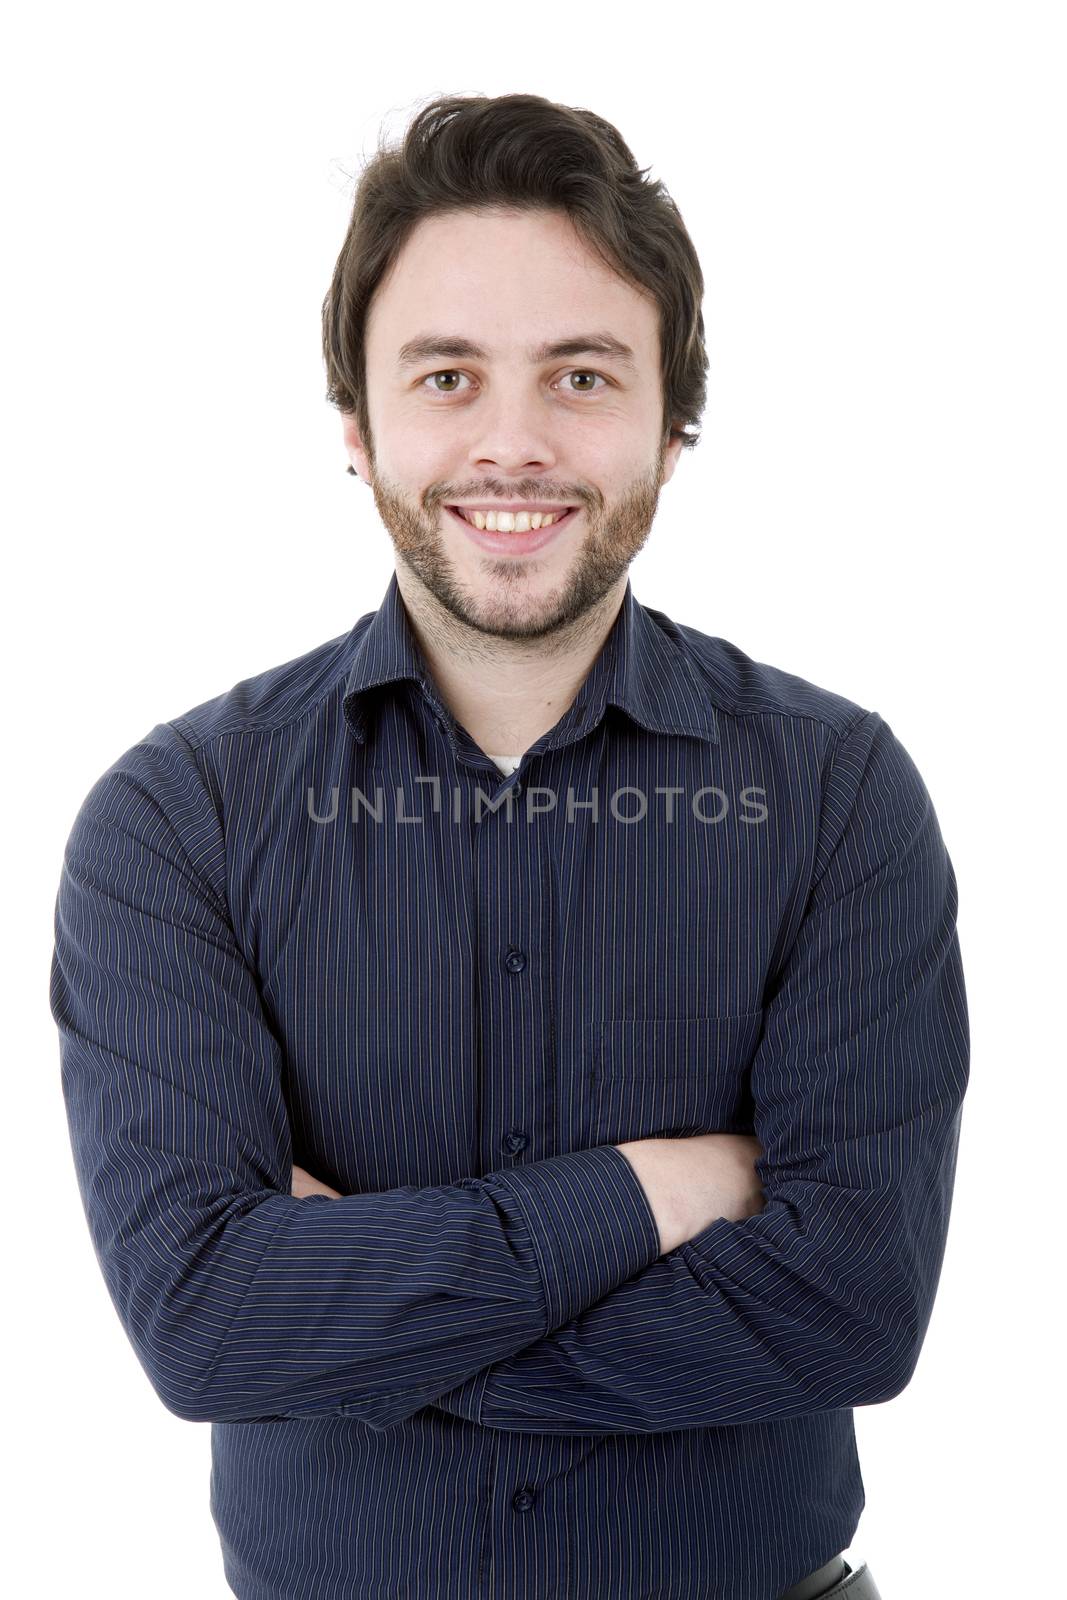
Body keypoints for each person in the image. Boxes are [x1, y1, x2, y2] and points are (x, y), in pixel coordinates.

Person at [50, 92, 967, 1600]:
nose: (513, 443)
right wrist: (652, 1196)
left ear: (674, 426)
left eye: (583, 375)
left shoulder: (837, 795)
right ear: (358, 424)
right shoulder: (177, 822)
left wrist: (357, 1327)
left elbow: (850, 1310)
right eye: (449, 375)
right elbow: (205, 1326)